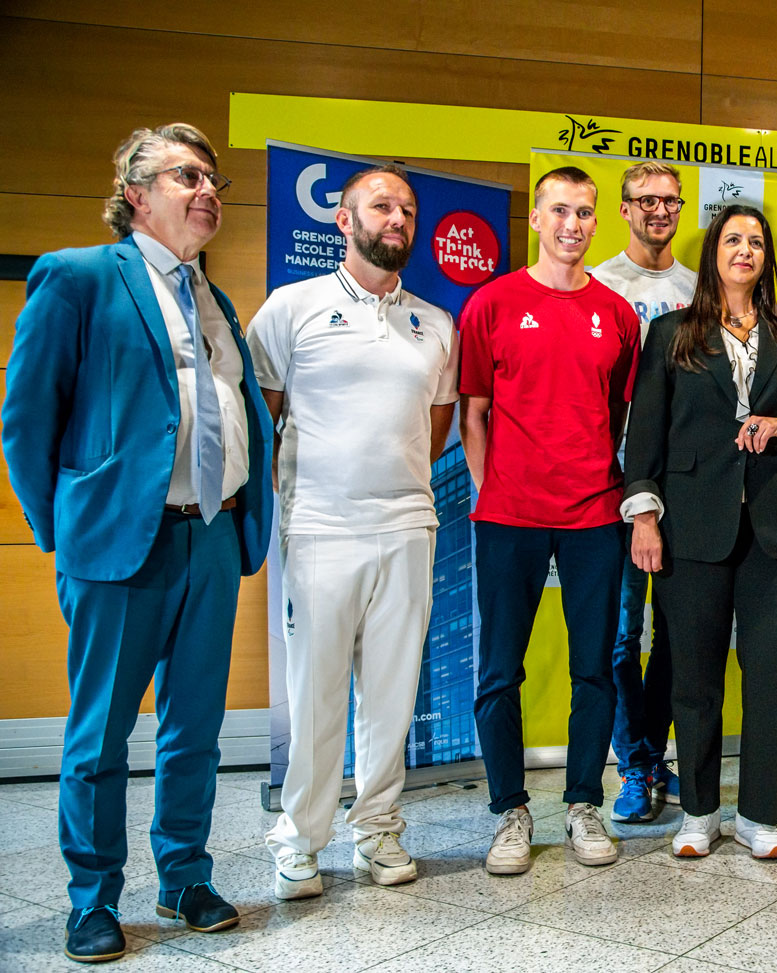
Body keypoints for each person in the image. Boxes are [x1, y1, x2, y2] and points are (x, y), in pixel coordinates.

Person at [1, 123, 272, 962]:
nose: (208, 191)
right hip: (122, 545)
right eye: (187, 175)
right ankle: (93, 897)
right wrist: (66, 528)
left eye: (215, 180)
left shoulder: (216, 299)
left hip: (212, 537)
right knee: (101, 734)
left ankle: (184, 876)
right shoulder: (80, 276)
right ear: (136, 194)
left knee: (195, 728)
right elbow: (26, 421)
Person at [248, 165, 460, 899]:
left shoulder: (435, 323)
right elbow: (263, 418)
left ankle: (377, 827)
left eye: (407, 209)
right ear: (345, 220)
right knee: (316, 694)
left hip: (407, 525)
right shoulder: (291, 307)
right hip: (320, 527)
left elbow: (434, 429)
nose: (397, 218)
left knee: (392, 694)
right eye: (381, 206)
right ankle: (300, 841)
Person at [623, 204, 777, 859]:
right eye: (732, 240)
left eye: (755, 241)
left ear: (766, 256)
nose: (744, 250)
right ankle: (699, 812)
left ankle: (760, 816)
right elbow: (645, 435)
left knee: (771, 677)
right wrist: (644, 515)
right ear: (713, 253)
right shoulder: (671, 333)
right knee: (693, 677)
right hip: (692, 527)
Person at [458, 166, 641, 875]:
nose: (573, 224)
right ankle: (510, 809)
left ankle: (583, 802)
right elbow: (474, 413)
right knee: (499, 670)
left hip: (594, 513)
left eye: (585, 212)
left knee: (595, 667)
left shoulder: (617, 314)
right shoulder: (492, 303)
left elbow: (616, 412)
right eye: (560, 210)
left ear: (598, 221)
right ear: (536, 218)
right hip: (509, 515)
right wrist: (494, 490)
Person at [591, 161, 696, 823]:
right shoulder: (598, 283)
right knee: (620, 636)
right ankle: (632, 765)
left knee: (678, 636)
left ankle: (655, 756)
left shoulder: (698, 290)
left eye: (670, 200)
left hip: (685, 487)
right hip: (614, 487)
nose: (659, 210)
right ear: (625, 208)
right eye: (646, 200)